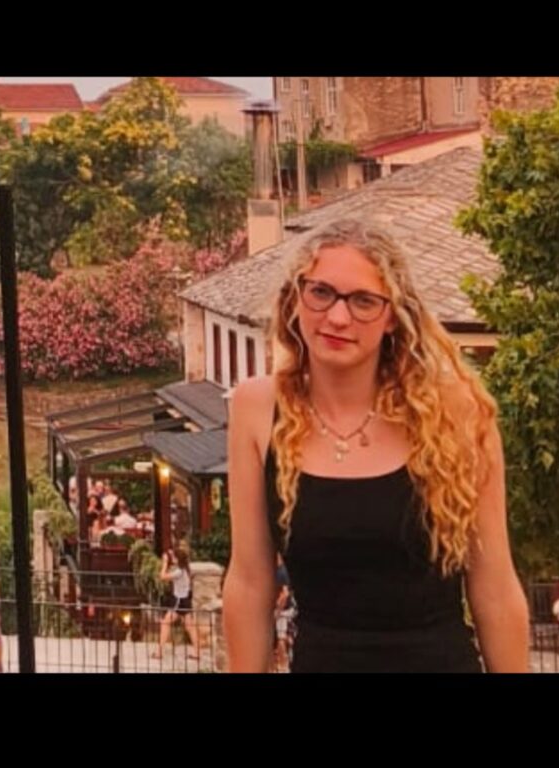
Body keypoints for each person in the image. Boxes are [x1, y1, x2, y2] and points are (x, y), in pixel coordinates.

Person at [222, 218, 530, 672]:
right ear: (296, 298)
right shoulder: (257, 409)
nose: (338, 316)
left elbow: (496, 588)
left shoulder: (458, 415)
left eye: (364, 301)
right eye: (321, 292)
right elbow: (250, 582)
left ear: (391, 317)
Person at [152, 547, 200, 660]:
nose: (172, 558)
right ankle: (197, 653)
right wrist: (169, 556)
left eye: (174, 556)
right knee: (190, 626)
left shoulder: (179, 572)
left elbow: (162, 576)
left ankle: (159, 653)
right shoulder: (185, 569)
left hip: (179, 601)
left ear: (178, 559)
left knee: (165, 623)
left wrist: (164, 563)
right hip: (185, 600)